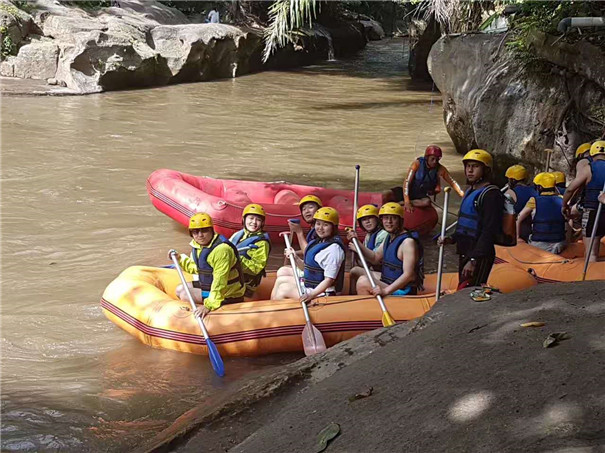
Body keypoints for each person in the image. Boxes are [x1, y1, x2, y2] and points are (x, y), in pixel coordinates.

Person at [438, 149, 504, 287]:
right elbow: (466, 225)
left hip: (479, 254)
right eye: (468, 166)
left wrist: (473, 260)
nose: (470, 170)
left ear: (485, 170)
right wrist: (451, 238)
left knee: (469, 290)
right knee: (464, 288)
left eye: (475, 166)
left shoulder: (491, 195)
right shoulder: (470, 191)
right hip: (465, 250)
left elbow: (488, 231)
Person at [171, 213, 245, 318]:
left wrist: (208, 305)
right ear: (191, 233)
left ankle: (204, 315)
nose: (200, 235)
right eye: (196, 232)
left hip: (228, 292)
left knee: (185, 294)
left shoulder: (222, 250)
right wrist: (179, 259)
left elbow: (220, 281)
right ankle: (199, 309)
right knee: (179, 289)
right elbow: (198, 269)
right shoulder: (199, 246)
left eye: (204, 230)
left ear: (211, 230)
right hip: (210, 285)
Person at [348, 202, 424, 296]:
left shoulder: (407, 243)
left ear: (400, 221)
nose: (389, 221)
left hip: (402, 290)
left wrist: (385, 291)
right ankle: (350, 301)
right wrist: (357, 243)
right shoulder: (389, 237)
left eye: (393, 218)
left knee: (363, 281)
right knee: (355, 271)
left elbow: (409, 275)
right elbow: (375, 258)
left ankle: (365, 308)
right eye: (386, 218)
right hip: (388, 280)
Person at [271, 207, 346, 302]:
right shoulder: (318, 242)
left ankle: (280, 313)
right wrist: (295, 257)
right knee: (280, 281)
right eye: (318, 224)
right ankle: (270, 308)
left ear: (333, 227)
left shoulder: (334, 249)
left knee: (283, 289)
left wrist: (311, 295)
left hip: (321, 292)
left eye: (325, 225)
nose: (320, 228)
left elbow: (329, 280)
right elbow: (307, 268)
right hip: (310, 285)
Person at [383, 145, 464, 212]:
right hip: (409, 191)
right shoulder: (417, 163)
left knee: (427, 202)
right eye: (432, 159)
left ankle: (402, 203)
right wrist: (407, 201)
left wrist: (463, 195)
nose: (435, 162)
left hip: (419, 196)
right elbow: (407, 182)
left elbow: (452, 182)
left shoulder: (440, 169)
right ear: (427, 158)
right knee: (386, 194)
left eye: (437, 159)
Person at [563, 140, 605, 262]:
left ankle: (590, 279)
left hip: (592, 210)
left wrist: (564, 204)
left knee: (592, 253)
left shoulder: (588, 168)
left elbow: (571, 189)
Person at [517, 173, 567, 254]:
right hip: (559, 243)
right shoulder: (562, 199)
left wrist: (517, 238)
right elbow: (569, 220)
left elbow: (519, 218)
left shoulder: (534, 200)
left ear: (540, 187)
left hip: (539, 243)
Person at [229, 204, 270, 298]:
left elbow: (256, 268)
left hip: (245, 284)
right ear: (244, 220)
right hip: (232, 277)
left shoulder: (262, 243)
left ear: (262, 223)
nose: (254, 222)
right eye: (251, 218)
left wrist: (236, 260)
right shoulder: (238, 234)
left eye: (258, 220)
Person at [276, 194, 322, 278]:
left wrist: (299, 232)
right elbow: (311, 248)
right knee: (285, 268)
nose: (307, 211)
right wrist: (294, 252)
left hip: (318, 273)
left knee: (283, 271)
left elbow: (309, 253)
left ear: (319, 210)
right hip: (313, 268)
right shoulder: (313, 230)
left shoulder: (321, 231)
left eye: (310, 207)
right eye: (304, 209)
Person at [347, 204, 389, 289]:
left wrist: (358, 248)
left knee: (355, 271)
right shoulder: (368, 236)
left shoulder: (384, 234)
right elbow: (364, 263)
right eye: (364, 219)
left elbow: (375, 260)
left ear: (377, 219)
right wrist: (357, 253)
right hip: (376, 271)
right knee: (354, 270)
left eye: (370, 218)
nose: (367, 222)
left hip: (385, 274)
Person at [504, 164, 536, 242]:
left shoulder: (511, 193)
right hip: (531, 230)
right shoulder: (534, 191)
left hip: (515, 230)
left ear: (512, 180)